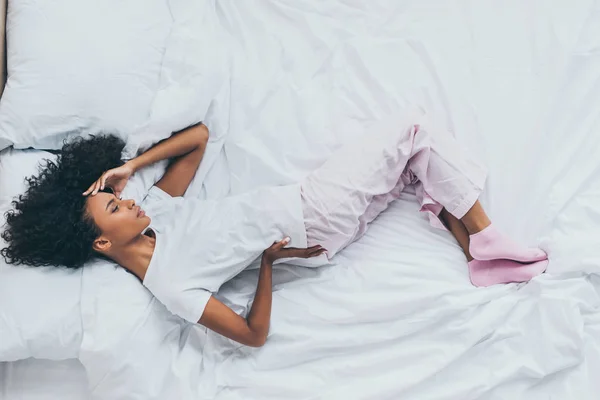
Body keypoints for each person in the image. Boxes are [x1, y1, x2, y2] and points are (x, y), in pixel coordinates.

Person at [1, 108, 548, 347]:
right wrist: (266, 264)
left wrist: (131, 168)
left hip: (322, 224)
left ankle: (475, 250)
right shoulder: (168, 282)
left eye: (121, 200)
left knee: (412, 168)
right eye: (116, 210)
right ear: (101, 242)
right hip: (313, 213)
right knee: (413, 129)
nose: (130, 204)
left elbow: (199, 136)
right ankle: (485, 236)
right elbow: (251, 335)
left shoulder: (159, 214)